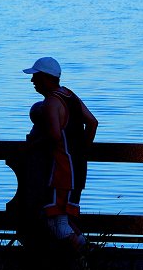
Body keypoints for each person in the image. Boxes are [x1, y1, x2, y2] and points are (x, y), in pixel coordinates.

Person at [19, 56, 98, 252]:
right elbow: (93, 122)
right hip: (78, 169)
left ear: (46, 78)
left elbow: (54, 135)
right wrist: (82, 150)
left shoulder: (51, 103)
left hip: (61, 171)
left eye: (35, 77)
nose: (32, 81)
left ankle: (82, 259)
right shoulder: (69, 95)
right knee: (65, 220)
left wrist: (32, 145)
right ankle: (88, 257)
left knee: (57, 225)